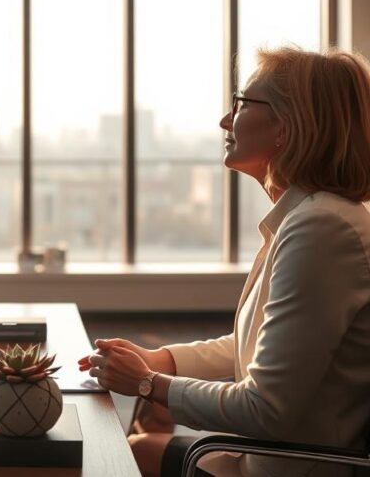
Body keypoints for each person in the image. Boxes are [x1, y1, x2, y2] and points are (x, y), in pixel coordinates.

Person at [80, 47, 370, 477]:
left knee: (125, 452)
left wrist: (147, 384)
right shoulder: (312, 217)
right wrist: (159, 360)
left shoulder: (320, 229)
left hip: (285, 469)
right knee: (140, 438)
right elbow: (251, 348)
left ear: (285, 129)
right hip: (267, 457)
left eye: (241, 104)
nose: (224, 121)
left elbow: (264, 408)